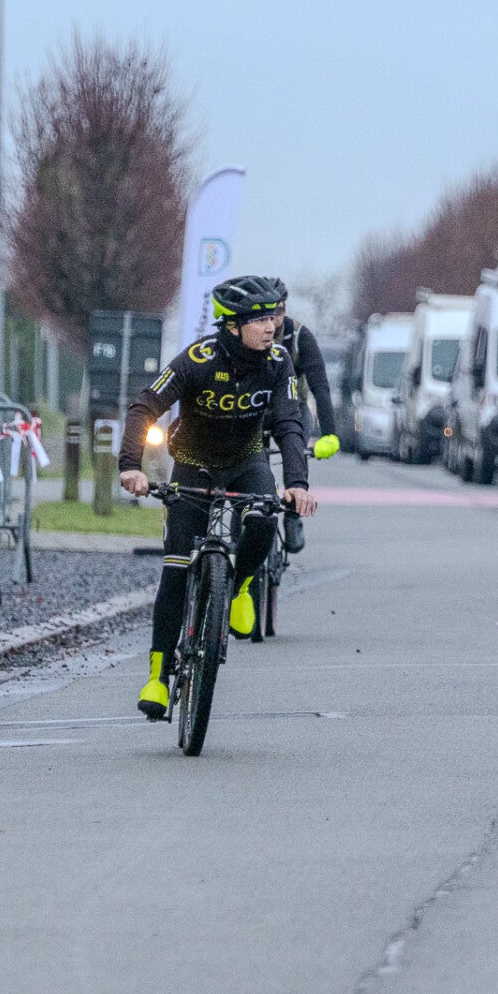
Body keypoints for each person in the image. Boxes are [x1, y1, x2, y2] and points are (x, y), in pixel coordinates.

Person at [119, 275, 319, 720]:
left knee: (264, 519)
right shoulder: (198, 359)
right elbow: (145, 406)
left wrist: (298, 484)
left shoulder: (279, 361)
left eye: (272, 318)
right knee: (175, 569)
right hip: (193, 462)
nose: (271, 327)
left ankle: (240, 585)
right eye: (259, 320)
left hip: (247, 460)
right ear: (232, 326)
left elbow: (289, 423)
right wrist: (130, 466)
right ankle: (157, 676)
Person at [266, 283, 338, 553]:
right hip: (256, 410)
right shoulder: (250, 334)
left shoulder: (299, 336)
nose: (274, 319)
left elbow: (320, 386)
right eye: (267, 313)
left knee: (295, 446)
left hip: (292, 409)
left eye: (280, 310)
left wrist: (329, 434)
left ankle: (293, 514)